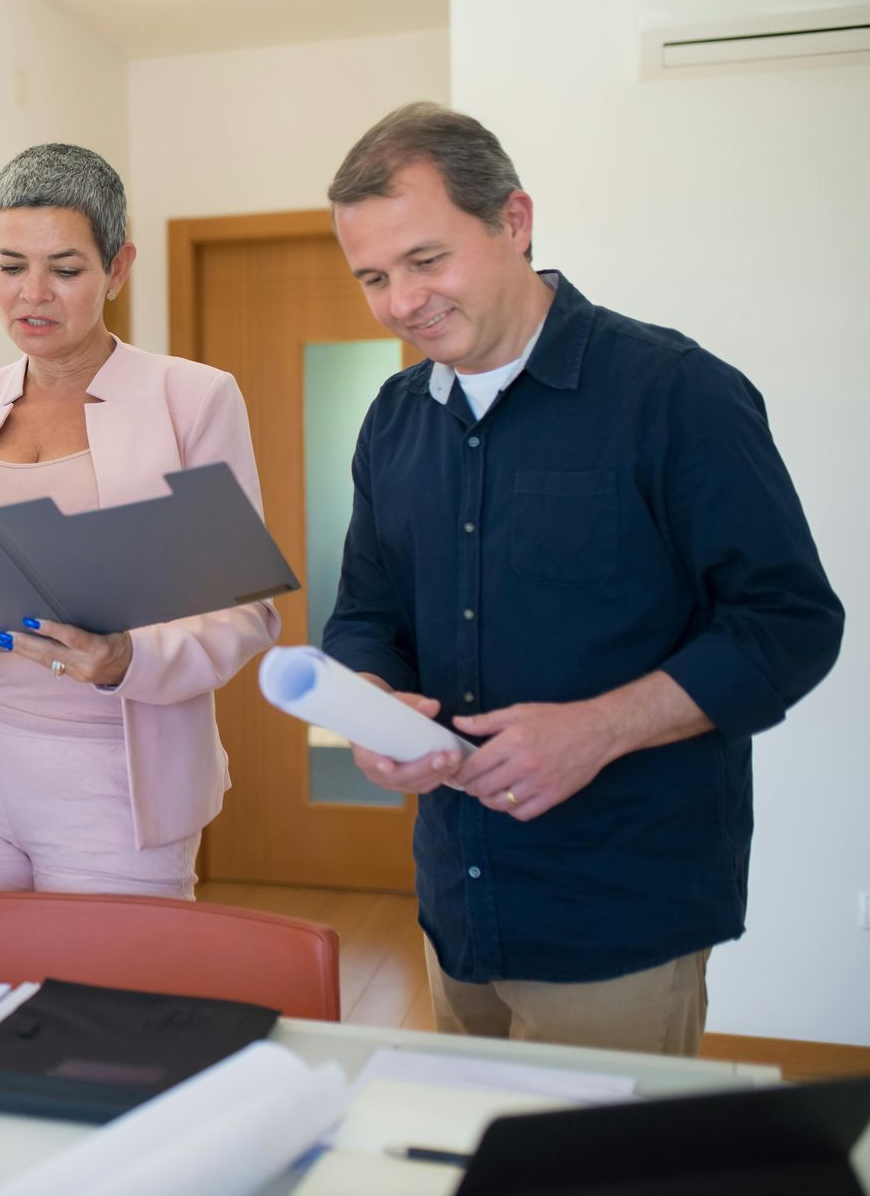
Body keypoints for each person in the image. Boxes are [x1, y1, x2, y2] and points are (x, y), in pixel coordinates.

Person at [320, 103, 844, 1054]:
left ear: (514, 222)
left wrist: (601, 728)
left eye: (425, 260)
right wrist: (367, 700)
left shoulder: (676, 392)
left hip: (622, 913)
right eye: (373, 277)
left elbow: (790, 622)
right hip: (453, 906)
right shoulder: (392, 420)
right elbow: (366, 613)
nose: (401, 302)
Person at [0, 143, 280, 903]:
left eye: (66, 268)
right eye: (10, 265)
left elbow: (244, 608)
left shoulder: (195, 399)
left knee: (109, 1013)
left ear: (118, 267)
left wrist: (125, 659)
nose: (32, 294)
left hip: (118, 778)